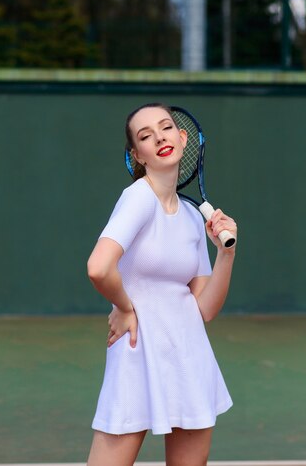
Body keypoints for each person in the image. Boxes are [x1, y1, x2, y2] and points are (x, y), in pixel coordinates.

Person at [87, 103, 238, 466]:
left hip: (189, 356)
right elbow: (98, 267)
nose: (159, 137)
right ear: (137, 155)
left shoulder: (190, 217)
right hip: (137, 354)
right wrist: (124, 307)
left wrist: (226, 255)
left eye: (166, 127)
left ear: (183, 138)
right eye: (145, 135)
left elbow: (205, 309)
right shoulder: (138, 197)